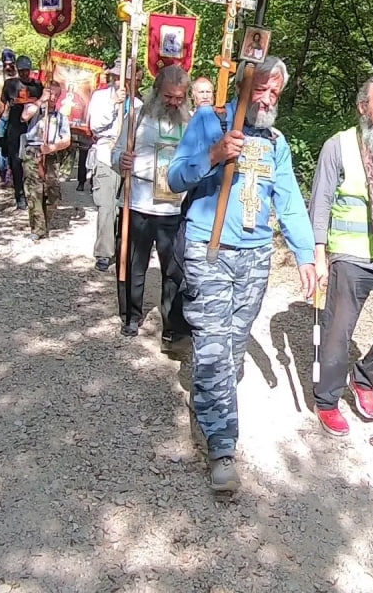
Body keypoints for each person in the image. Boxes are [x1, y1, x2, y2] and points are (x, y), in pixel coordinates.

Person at [167, 56, 317, 493]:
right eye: (262, 88)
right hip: (208, 249)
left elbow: (288, 200)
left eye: (276, 92)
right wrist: (214, 155)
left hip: (254, 257)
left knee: (232, 348)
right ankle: (222, 446)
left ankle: (208, 400)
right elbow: (174, 177)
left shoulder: (276, 141)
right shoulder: (210, 121)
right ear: (245, 85)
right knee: (213, 346)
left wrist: (305, 254)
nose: (268, 97)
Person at [307, 74, 373, 436]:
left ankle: (365, 377)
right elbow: (320, 201)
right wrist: (319, 254)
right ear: (363, 107)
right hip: (351, 255)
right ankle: (327, 401)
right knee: (339, 331)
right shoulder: (337, 146)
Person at [111, 64, 192, 343]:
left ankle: (172, 325)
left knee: (174, 269)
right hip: (139, 203)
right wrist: (119, 162)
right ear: (157, 92)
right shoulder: (137, 117)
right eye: (169, 96)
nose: (173, 102)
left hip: (173, 208)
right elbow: (116, 153)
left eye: (179, 97)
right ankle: (131, 316)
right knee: (134, 264)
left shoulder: (189, 122)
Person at [86, 61, 142, 272]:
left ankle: (125, 248)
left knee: (126, 206)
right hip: (105, 154)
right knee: (107, 205)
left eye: (126, 78)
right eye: (118, 77)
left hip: (129, 158)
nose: (122, 82)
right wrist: (113, 104)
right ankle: (104, 252)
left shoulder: (138, 104)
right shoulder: (100, 97)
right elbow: (95, 125)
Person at [0, 50, 42, 211]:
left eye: (27, 70)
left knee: (32, 162)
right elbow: (1, 106)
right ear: (18, 70)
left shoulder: (37, 86)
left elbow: (46, 104)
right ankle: (19, 195)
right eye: (22, 70)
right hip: (14, 129)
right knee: (15, 162)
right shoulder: (10, 85)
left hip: (33, 129)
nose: (25, 73)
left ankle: (34, 193)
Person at [22, 79, 72, 239]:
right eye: (50, 93)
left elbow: (67, 140)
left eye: (56, 95)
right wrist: (41, 100)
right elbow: (24, 116)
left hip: (51, 153)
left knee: (53, 193)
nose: (52, 98)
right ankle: (38, 229)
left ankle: (44, 220)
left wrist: (53, 147)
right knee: (34, 192)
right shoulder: (34, 108)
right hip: (33, 152)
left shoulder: (62, 118)